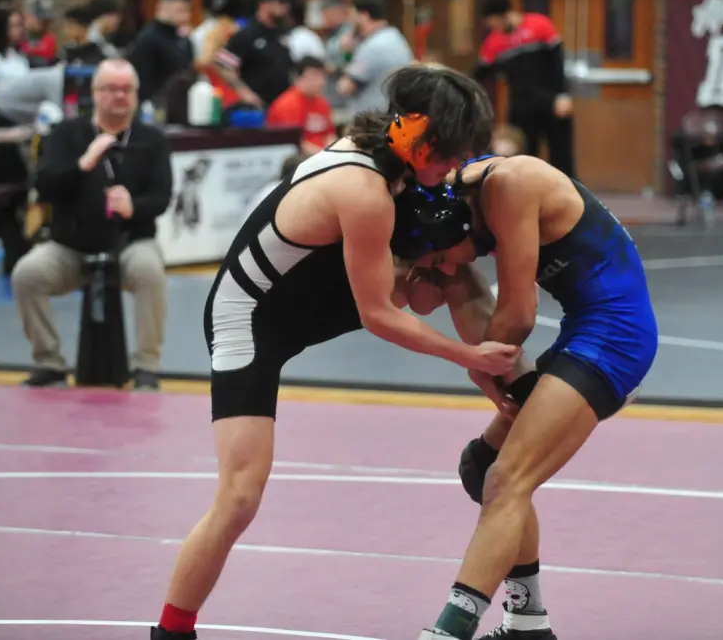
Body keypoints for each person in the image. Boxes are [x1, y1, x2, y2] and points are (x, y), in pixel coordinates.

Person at [150, 65, 520, 640]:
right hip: (249, 318)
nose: (453, 167)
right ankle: (172, 632)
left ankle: (513, 395)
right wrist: (467, 357)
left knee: (452, 259)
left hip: (312, 290)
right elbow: (379, 317)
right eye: (448, 155)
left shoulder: (390, 154)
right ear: (417, 137)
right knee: (240, 496)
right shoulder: (363, 190)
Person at [413, 154, 658, 640]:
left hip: (616, 339)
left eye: (444, 256)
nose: (451, 265)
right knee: (483, 468)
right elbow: (425, 298)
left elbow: (519, 314)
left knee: (506, 479)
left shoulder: (511, 184)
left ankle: (448, 632)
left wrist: (479, 365)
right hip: (582, 332)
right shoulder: (463, 201)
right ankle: (527, 624)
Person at [11, 59, 171, 390]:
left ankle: (146, 366)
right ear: (95, 93)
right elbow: (46, 187)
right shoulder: (66, 134)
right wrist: (82, 165)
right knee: (27, 274)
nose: (119, 96)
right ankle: (49, 362)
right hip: (71, 246)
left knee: (150, 272)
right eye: (111, 89)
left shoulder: (152, 139)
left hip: (130, 243)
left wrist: (134, 207)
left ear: (136, 95)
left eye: (126, 89)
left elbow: (162, 197)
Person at [474, 0, 574, 178]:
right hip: (521, 105)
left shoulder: (540, 25)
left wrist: (563, 94)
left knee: (562, 156)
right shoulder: (494, 42)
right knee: (523, 159)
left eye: (493, 22)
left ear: (505, 15)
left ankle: (569, 192)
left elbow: (558, 63)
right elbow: (480, 72)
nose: (493, 28)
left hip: (552, 100)